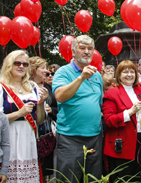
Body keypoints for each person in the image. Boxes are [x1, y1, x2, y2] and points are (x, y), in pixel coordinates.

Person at [53, 35, 103, 183]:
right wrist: (81, 78)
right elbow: (60, 96)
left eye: (90, 49)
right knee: (68, 180)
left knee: (93, 180)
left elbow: (98, 103)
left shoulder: (97, 75)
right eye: (82, 48)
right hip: (70, 138)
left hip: (94, 137)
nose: (86, 51)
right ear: (73, 52)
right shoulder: (63, 72)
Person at [0, 50, 48, 183]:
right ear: (9, 65)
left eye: (25, 64)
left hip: (29, 138)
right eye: (17, 63)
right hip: (9, 139)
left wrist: (41, 103)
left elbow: (40, 120)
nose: (21, 67)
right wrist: (19, 113)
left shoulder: (33, 87)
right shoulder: (0, 87)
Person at [102, 60, 141, 182]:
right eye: (125, 72)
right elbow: (108, 120)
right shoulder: (112, 93)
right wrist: (129, 112)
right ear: (119, 75)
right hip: (122, 147)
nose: (129, 74)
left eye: (132, 71)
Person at [29, 57, 57, 181]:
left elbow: (58, 107)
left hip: (48, 134)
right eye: (43, 68)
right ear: (33, 70)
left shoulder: (49, 87)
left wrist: (52, 110)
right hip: (30, 132)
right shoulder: (27, 87)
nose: (46, 71)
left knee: (48, 167)